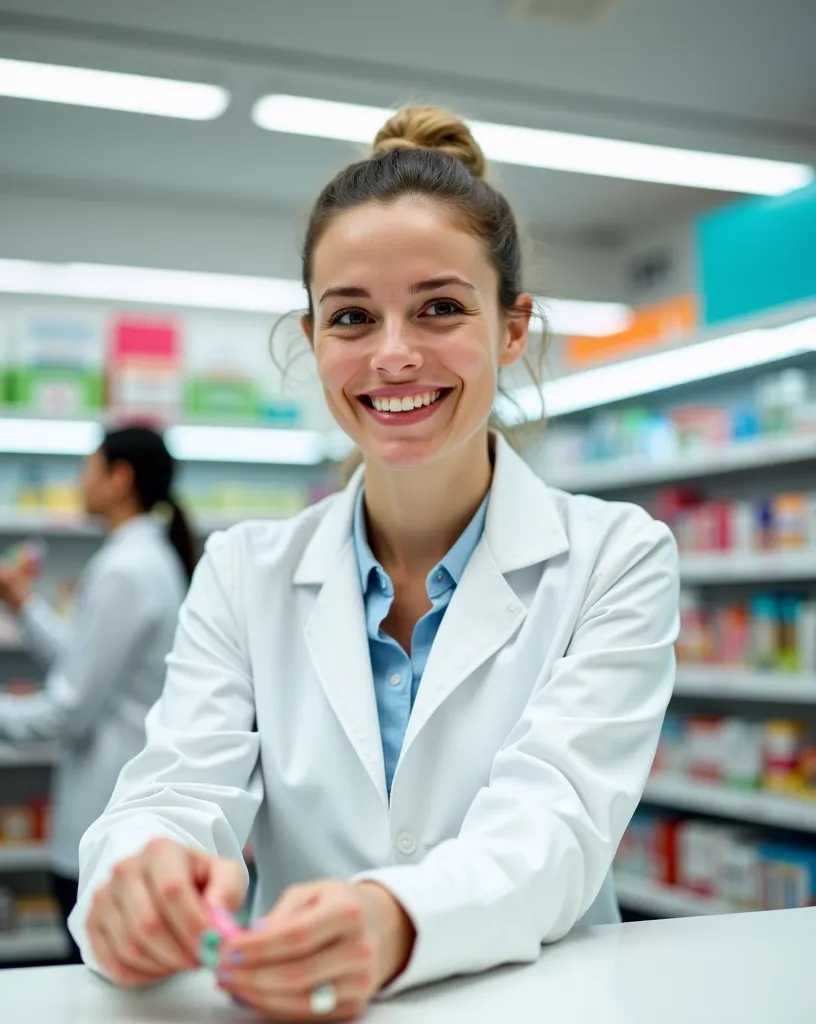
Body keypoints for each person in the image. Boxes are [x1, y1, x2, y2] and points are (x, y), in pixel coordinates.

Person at [69, 107, 679, 1019]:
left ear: (513, 330)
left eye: (440, 307)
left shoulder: (615, 557)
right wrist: (134, 875)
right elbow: (175, 789)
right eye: (352, 316)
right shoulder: (243, 572)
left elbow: (555, 824)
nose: (393, 355)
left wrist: (392, 919)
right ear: (312, 338)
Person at [0, 426, 195, 962]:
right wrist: (24, 607)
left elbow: (68, 710)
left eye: (86, 469)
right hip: (115, 805)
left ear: (119, 478)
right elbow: (86, 664)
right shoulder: (141, 560)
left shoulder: (125, 569)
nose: (78, 482)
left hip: (104, 810)